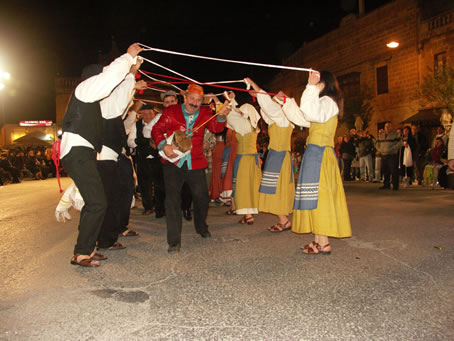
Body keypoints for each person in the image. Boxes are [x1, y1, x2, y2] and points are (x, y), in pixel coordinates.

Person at [60, 42, 142, 267]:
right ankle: (82, 252)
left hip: (82, 152)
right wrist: (127, 58)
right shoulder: (84, 90)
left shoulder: (94, 102)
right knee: (98, 202)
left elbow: (117, 105)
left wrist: (131, 74)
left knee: (96, 202)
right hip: (77, 150)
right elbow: (108, 81)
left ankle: (84, 249)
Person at [151, 84, 230, 252]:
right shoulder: (171, 111)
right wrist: (163, 145)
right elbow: (157, 129)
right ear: (185, 98)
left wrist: (222, 117)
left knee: (201, 197)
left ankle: (201, 226)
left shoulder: (205, 113)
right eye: (192, 99)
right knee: (172, 200)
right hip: (173, 162)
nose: (195, 103)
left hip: (195, 162)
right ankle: (174, 241)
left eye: (199, 100)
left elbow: (216, 128)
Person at [282, 70, 352, 254]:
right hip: (315, 153)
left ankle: (324, 242)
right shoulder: (322, 103)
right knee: (314, 197)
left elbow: (310, 112)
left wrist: (310, 87)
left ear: (323, 84)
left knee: (319, 198)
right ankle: (319, 240)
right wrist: (286, 103)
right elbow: (303, 117)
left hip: (320, 154)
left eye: (316, 82)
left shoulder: (329, 102)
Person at [96, 60, 146, 250]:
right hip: (105, 155)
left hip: (117, 154)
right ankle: (103, 239)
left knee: (123, 192)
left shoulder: (113, 107)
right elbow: (120, 101)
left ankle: (117, 229)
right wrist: (132, 73)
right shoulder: (104, 99)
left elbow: (123, 114)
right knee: (108, 197)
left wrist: (134, 89)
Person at [245, 77, 295, 232]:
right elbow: (267, 111)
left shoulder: (282, 118)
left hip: (279, 157)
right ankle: (283, 220)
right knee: (274, 189)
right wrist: (257, 96)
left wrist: (256, 86)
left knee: (275, 189)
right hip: (278, 156)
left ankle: (284, 220)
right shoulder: (279, 120)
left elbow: (269, 108)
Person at [224, 92, 262, 226]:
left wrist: (230, 101)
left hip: (244, 160)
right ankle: (249, 214)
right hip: (253, 161)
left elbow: (229, 115)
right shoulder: (254, 126)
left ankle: (248, 215)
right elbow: (233, 117)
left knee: (243, 187)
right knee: (251, 187)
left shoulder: (243, 125)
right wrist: (232, 101)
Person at [127, 103, 165, 218]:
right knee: (144, 185)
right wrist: (143, 141)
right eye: (145, 114)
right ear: (141, 115)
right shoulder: (136, 125)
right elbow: (130, 142)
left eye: (150, 113)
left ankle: (160, 208)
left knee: (160, 185)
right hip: (142, 159)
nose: (148, 116)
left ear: (154, 114)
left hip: (157, 159)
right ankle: (148, 207)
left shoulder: (159, 124)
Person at [161, 90, 193, 221]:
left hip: (185, 157)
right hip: (168, 158)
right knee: (172, 188)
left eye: (172, 101)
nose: (170, 104)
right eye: (167, 102)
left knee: (187, 186)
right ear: (163, 104)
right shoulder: (160, 118)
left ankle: (186, 208)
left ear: (177, 101)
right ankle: (173, 213)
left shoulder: (187, 115)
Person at [376, 121, 401, 190]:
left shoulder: (395, 135)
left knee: (393, 170)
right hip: (384, 155)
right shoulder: (382, 135)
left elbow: (399, 143)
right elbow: (377, 143)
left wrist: (393, 148)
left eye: (388, 126)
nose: (386, 128)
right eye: (385, 126)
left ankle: (395, 185)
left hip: (392, 155)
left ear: (391, 127)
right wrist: (380, 150)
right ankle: (386, 184)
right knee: (385, 170)